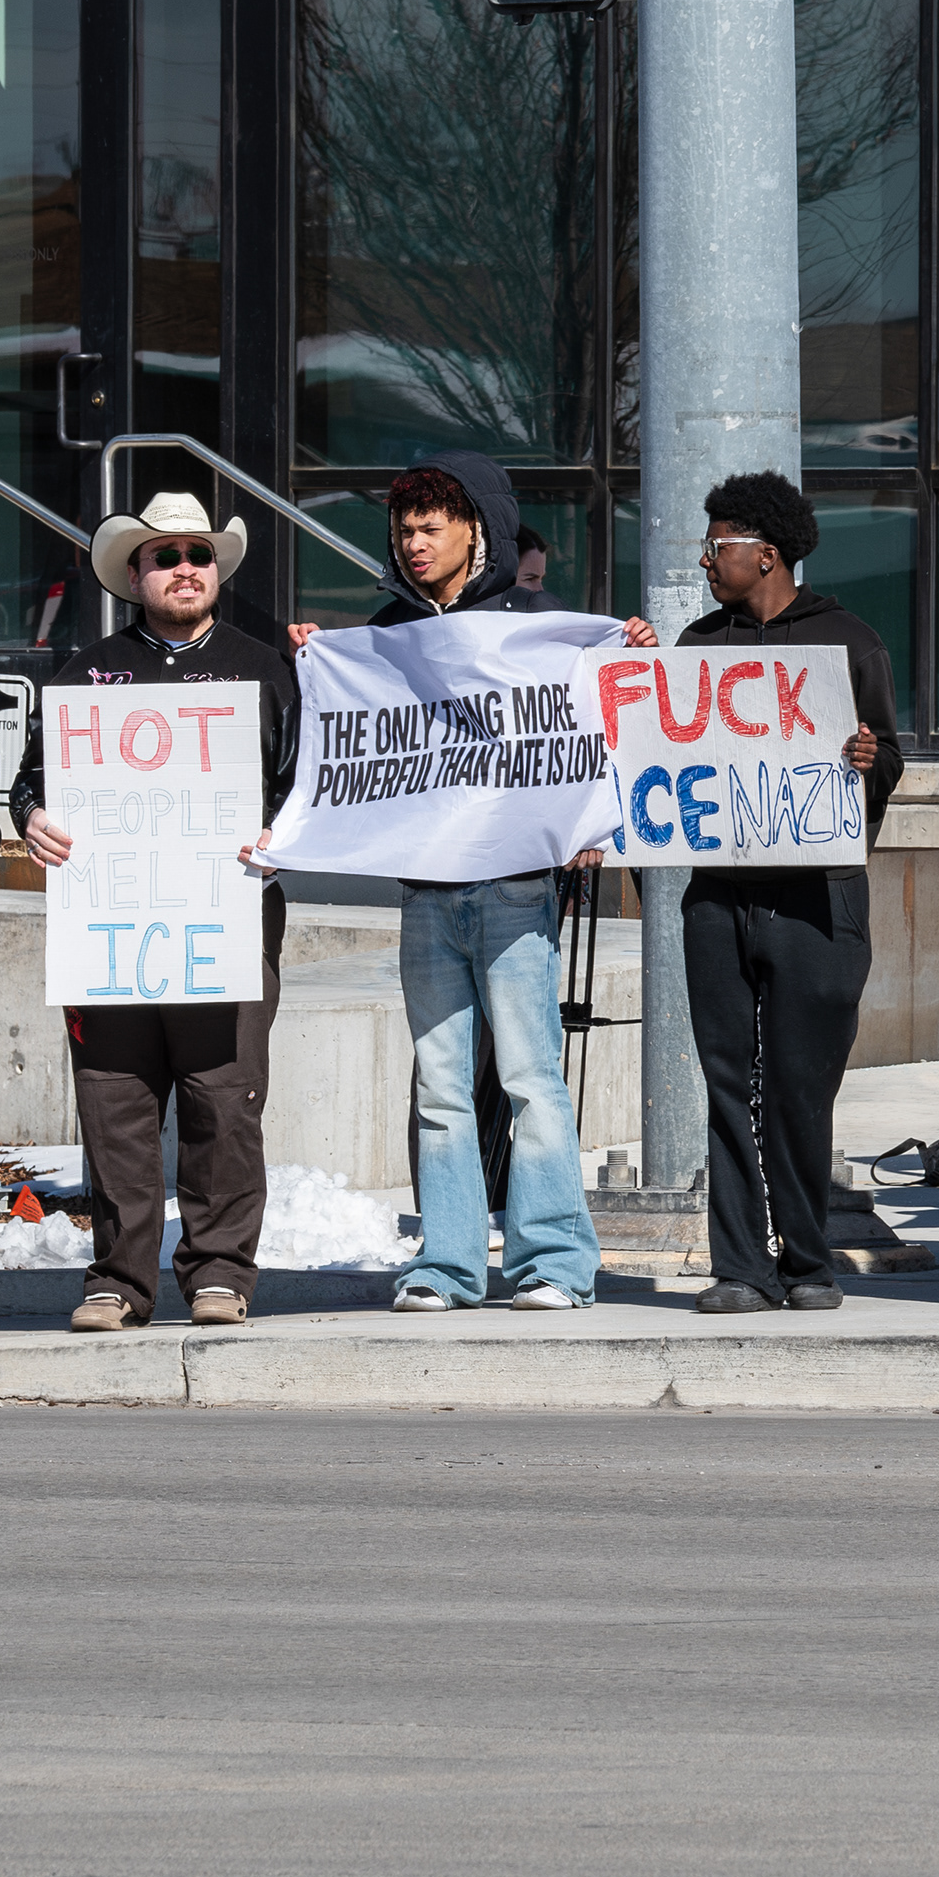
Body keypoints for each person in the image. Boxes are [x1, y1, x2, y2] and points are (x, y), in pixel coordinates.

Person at [294, 453, 653, 1314]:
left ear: (474, 531)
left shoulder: (537, 626)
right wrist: (318, 661)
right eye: (403, 530)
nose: (414, 544)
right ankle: (447, 1265)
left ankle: (557, 1262)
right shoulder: (384, 636)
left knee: (531, 1079)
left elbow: (596, 733)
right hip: (425, 893)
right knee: (442, 1085)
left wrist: (626, 653)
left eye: (431, 528)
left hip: (518, 890)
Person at [8, 492, 301, 1334]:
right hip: (111, 926)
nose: (183, 569)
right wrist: (30, 817)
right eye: (164, 556)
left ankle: (220, 1274)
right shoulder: (84, 674)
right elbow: (34, 780)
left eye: (198, 554)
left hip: (230, 918)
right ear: (133, 573)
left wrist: (282, 831)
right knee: (115, 1103)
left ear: (218, 569)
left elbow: (305, 782)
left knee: (223, 1098)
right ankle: (119, 1281)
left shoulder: (266, 667)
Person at [672, 471, 901, 1315]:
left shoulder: (850, 642)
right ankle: (740, 1266)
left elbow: (891, 768)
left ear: (764, 554)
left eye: (718, 545)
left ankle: (807, 1261)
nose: (705, 559)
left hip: (819, 902)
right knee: (728, 1083)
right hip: (718, 901)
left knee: (800, 1087)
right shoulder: (695, 648)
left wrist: (870, 764)